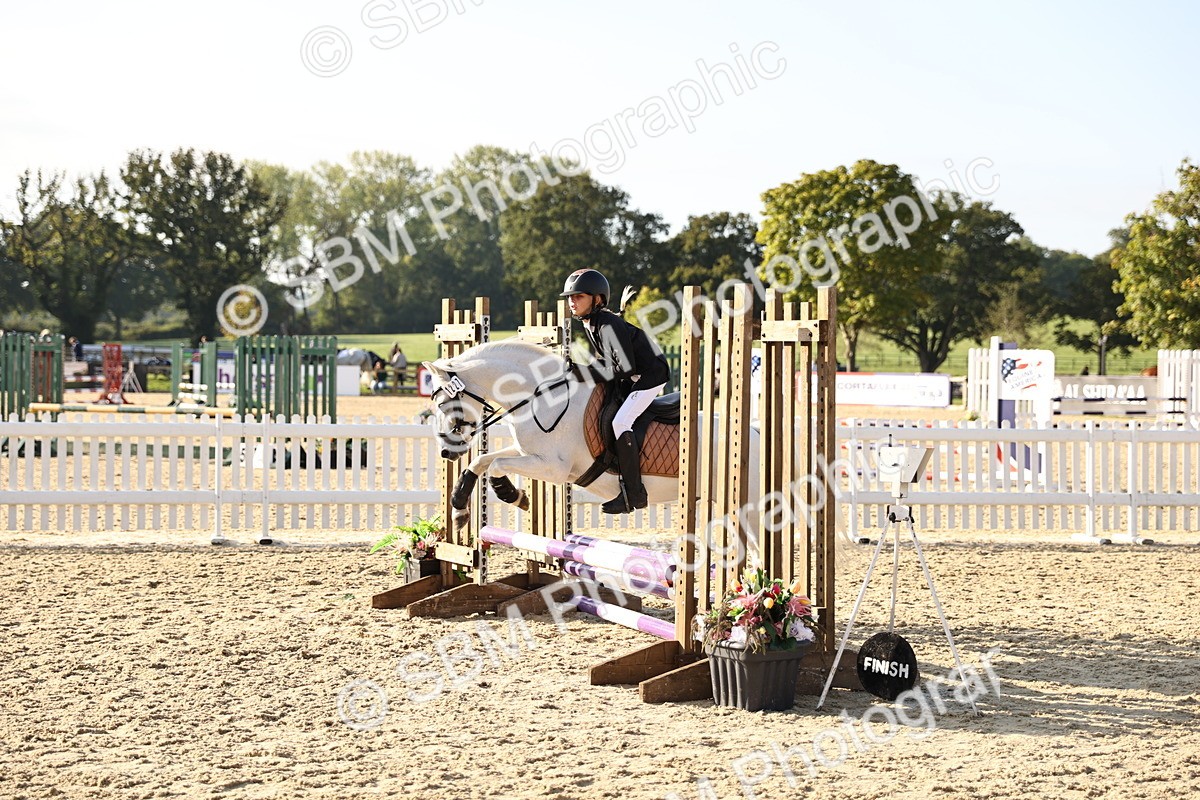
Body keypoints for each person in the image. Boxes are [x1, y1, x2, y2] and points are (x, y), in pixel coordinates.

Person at [561, 268, 670, 514]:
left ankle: (633, 493)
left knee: (621, 422)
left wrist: (585, 372)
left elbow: (623, 366)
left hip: (649, 376)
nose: (572, 301)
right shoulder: (593, 323)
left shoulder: (606, 323)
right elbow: (608, 361)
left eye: (578, 296)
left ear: (597, 299)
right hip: (632, 375)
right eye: (570, 297)